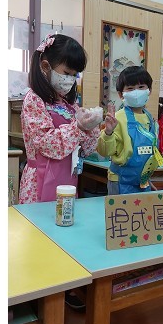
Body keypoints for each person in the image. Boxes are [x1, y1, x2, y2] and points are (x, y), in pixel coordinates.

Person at [19, 33, 101, 204]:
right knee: (40, 221)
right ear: (45, 66)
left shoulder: (69, 105)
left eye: (74, 75)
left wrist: (91, 127)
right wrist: (78, 128)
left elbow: (86, 150)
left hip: (67, 180)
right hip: (39, 181)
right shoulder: (34, 100)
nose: (70, 80)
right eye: (67, 73)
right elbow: (46, 144)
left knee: (65, 217)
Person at [97, 66, 163, 195]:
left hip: (143, 181)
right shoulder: (118, 118)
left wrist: (147, 179)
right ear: (121, 94)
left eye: (141, 87)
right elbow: (105, 152)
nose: (136, 92)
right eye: (130, 88)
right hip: (121, 181)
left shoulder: (150, 118)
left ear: (149, 90)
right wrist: (108, 133)